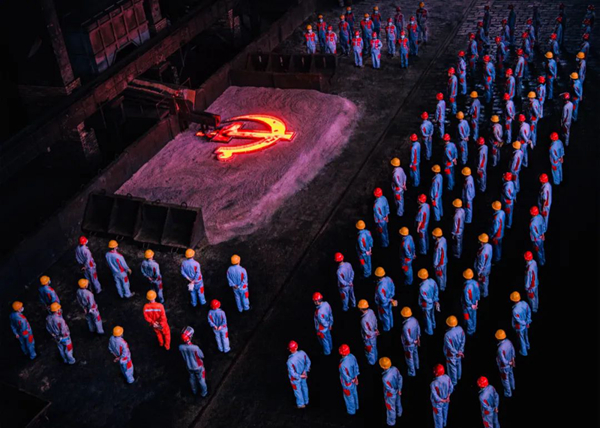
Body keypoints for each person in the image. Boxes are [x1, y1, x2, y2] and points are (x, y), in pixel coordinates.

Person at [180, 327, 208, 396]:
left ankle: (194, 391)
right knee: (201, 380)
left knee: (192, 379)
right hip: (198, 366)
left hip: (189, 366)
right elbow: (202, 356)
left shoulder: (180, 347)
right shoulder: (195, 348)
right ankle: (204, 393)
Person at [286, 340, 311, 408]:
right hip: (304, 375)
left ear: (290, 349)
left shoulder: (289, 361)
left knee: (298, 391)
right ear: (297, 347)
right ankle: (306, 401)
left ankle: (301, 404)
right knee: (304, 387)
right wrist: (305, 371)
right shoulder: (302, 353)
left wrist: (300, 376)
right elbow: (308, 362)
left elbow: (292, 373)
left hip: (295, 379)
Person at [379, 357, 403, 426]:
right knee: (398, 402)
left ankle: (391, 422)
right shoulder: (395, 369)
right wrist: (399, 389)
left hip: (390, 395)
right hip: (397, 390)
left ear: (383, 367)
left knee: (390, 408)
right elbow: (400, 378)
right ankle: (399, 413)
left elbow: (389, 389)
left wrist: (394, 392)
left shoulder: (384, 378)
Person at [443, 316, 465, 386]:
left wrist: (457, 352)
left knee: (452, 369)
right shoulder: (460, 329)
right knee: (459, 365)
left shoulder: (447, 335)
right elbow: (463, 341)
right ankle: (459, 377)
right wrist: (460, 351)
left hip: (451, 355)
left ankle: (454, 383)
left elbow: (449, 347)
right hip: (459, 353)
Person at [338, 344, 360, 415]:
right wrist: (356, 378)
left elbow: (345, 376)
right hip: (354, 379)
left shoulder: (342, 365)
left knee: (349, 397)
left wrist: (351, 380)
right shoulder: (352, 356)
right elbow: (356, 367)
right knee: (355, 393)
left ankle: (351, 411)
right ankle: (356, 406)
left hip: (347, 383)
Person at [430, 364, 454, 428]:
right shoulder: (447, 377)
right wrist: (448, 397)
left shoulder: (433, 383)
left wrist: (442, 400)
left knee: (438, 418)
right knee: (445, 412)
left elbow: (435, 397)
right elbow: (451, 388)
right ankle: (444, 424)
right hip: (446, 400)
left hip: (437, 403)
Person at [374, 267, 397, 332]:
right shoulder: (389, 279)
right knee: (390, 313)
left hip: (383, 304)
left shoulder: (380, 288)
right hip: (390, 300)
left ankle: (387, 329)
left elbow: (383, 300)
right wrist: (391, 297)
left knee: (384, 317)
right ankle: (391, 325)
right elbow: (393, 287)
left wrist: (388, 300)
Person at [418, 269, 440, 335]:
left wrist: (430, 301)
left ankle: (429, 331)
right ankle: (434, 325)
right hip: (433, 302)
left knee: (427, 317)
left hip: (426, 305)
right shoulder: (432, 281)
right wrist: (435, 300)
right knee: (432, 314)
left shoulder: (422, 288)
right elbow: (436, 290)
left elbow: (424, 298)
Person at [495, 329, 516, 397]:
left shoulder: (500, 349)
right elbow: (513, 351)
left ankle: (508, 393)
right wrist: (512, 360)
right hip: (511, 363)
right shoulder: (509, 341)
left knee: (505, 380)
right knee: (511, 375)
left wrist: (509, 363)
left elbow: (503, 361)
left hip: (504, 367)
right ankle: (513, 387)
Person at [400, 307, 420, 376]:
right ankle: (417, 366)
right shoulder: (415, 320)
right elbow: (418, 329)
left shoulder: (405, 327)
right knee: (415, 354)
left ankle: (412, 372)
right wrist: (418, 339)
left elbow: (408, 339)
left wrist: (413, 341)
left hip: (408, 345)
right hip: (415, 342)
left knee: (409, 358)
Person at [510, 292, 531, 356]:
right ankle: (528, 346)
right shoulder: (525, 303)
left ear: (513, 300)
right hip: (526, 324)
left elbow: (517, 320)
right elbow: (529, 312)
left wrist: (523, 323)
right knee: (526, 335)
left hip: (520, 326)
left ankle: (524, 352)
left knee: (521, 339)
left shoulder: (515, 310)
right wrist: (527, 322)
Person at [358, 300, 379, 365]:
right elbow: (375, 320)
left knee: (369, 351)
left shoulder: (363, 320)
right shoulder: (371, 311)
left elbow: (368, 333)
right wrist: (376, 329)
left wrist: (375, 333)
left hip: (369, 339)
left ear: (360, 309)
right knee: (374, 348)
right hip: (374, 334)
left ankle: (371, 363)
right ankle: (375, 359)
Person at [461, 269, 480, 335]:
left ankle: (470, 331)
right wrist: (476, 302)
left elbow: (466, 298)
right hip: (474, 303)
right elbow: (478, 293)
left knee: (467, 318)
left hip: (467, 306)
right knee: (474, 317)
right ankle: (474, 329)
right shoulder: (476, 283)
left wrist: (470, 305)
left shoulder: (466, 287)